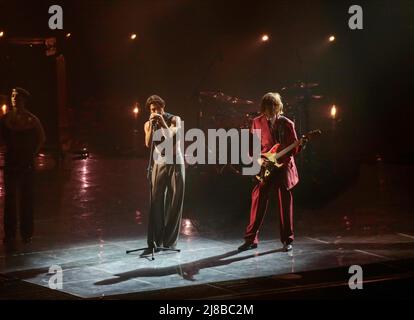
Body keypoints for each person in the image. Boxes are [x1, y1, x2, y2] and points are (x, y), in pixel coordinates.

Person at [238, 92, 305, 252]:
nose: (269, 112)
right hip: (265, 167)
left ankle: (287, 240)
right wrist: (258, 161)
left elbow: (294, 148)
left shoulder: (287, 123)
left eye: (272, 108)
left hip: (283, 167)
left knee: (285, 203)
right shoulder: (256, 122)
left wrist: (295, 148)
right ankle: (251, 239)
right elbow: (253, 147)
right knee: (257, 200)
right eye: (267, 108)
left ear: (277, 107)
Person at [0, 87, 45, 244]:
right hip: (12, 162)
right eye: (13, 97)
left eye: (17, 98)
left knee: (27, 198)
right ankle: (10, 233)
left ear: (24, 100)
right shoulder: (5, 120)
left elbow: (41, 138)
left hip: (26, 163)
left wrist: (32, 153)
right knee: (10, 200)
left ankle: (26, 232)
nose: (15, 100)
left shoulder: (32, 120)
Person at [142, 95, 185, 255]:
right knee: (156, 201)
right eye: (152, 110)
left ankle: (169, 241)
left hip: (175, 162)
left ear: (163, 107)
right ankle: (156, 240)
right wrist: (151, 127)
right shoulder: (148, 123)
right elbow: (148, 143)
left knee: (174, 200)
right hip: (158, 162)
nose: (155, 112)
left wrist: (162, 122)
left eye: (157, 109)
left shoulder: (175, 119)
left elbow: (170, 137)